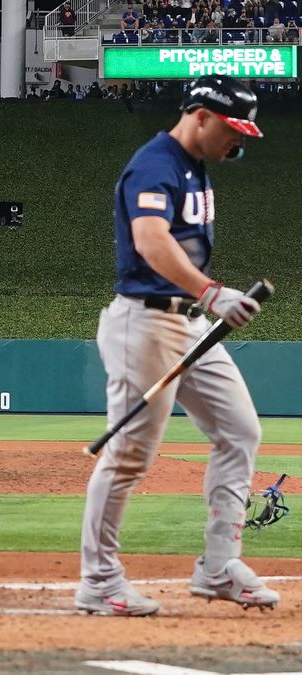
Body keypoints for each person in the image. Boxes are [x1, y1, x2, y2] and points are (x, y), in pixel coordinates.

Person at [77, 76, 276, 617]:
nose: (241, 141)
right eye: (235, 130)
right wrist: (211, 292)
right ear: (202, 116)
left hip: (187, 325)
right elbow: (150, 239)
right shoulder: (156, 163)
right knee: (128, 458)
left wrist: (204, 301)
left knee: (240, 431)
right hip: (143, 325)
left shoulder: (196, 169)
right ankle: (98, 581)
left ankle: (218, 567)